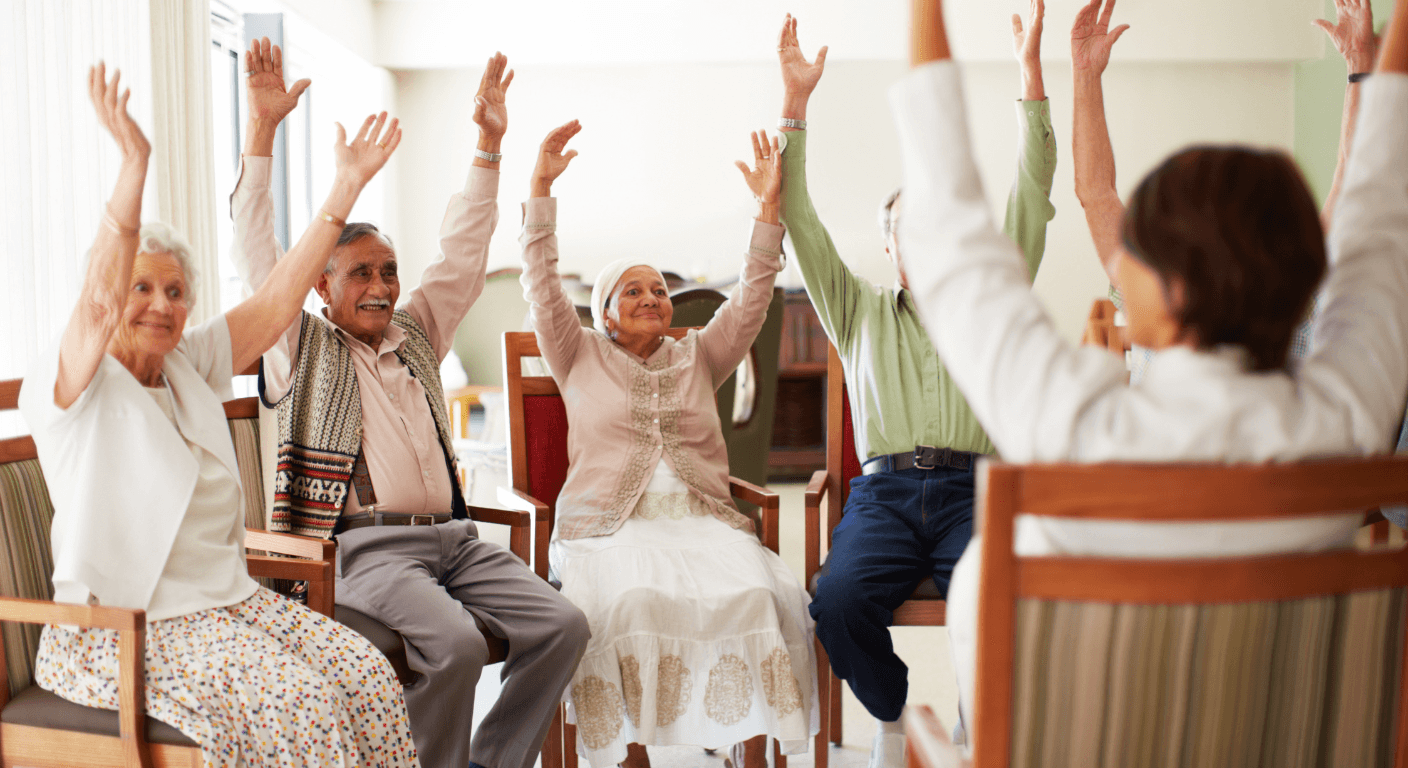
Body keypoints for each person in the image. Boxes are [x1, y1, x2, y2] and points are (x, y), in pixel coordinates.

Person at [890, 0, 1408, 748]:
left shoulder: (1072, 423)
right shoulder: (1345, 425)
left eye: (1135, 249)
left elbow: (949, 236)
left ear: (1166, 292)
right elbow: (1378, 227)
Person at [19, 53, 416, 767]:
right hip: (122, 628)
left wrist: (344, 189)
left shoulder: (185, 365)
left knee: (366, 679)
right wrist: (134, 165)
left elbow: (273, 304)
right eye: (143, 289)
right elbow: (99, 300)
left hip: (226, 605)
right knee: (303, 703)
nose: (161, 306)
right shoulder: (72, 383)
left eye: (175, 292)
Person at [228, 44, 588, 768]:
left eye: (389, 272)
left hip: (455, 541)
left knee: (564, 623)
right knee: (453, 648)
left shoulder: (417, 331)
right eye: (360, 274)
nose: (382, 287)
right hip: (363, 551)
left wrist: (489, 144)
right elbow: (257, 254)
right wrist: (261, 134)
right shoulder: (299, 342)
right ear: (322, 287)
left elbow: (461, 253)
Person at [772, 7, 1056, 763]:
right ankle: (895, 713)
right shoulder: (856, 309)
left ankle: (972, 728)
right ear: (892, 246)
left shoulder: (991, 297)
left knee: (1008, 600)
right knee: (835, 601)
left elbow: (1032, 195)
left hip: (977, 491)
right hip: (885, 496)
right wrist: (795, 108)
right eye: (910, 228)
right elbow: (799, 220)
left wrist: (1031, 78)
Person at [519, 119, 816, 768]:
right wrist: (540, 188)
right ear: (604, 314)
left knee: (757, 595)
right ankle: (631, 753)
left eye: (659, 290)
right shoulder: (577, 353)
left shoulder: (698, 354)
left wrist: (768, 211)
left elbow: (753, 299)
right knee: (626, 602)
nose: (653, 298)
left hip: (703, 523)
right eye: (635, 290)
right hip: (608, 528)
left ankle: (750, 743)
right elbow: (541, 287)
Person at [1076, 0, 1376, 380]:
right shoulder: (1292, 314)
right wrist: (1359, 66)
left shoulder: (1163, 297)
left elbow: (1096, 193)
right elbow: (1353, 182)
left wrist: (1085, 75)